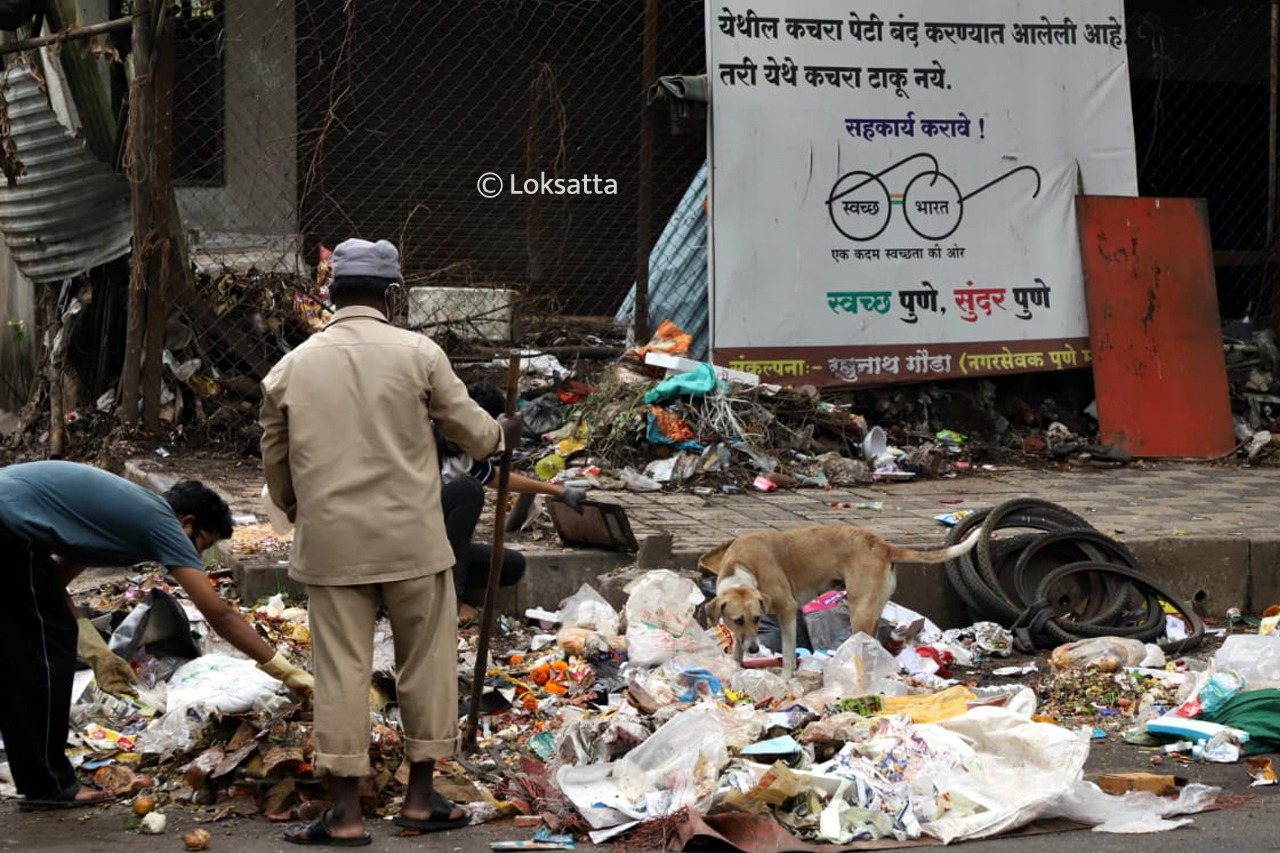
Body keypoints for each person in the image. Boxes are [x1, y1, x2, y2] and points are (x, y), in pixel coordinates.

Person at [260, 237, 521, 846]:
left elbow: (277, 465)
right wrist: (502, 431)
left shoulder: (291, 367)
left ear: (331, 292)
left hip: (332, 546)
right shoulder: (420, 354)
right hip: (412, 540)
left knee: (341, 673)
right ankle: (420, 802)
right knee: (425, 665)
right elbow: (475, 435)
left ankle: (346, 816)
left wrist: (305, 510)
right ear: (391, 294)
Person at [0, 461, 313, 812]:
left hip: (11, 519)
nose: (195, 557)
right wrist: (284, 670)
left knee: (27, 647)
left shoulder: (129, 517)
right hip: (10, 526)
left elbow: (53, 584)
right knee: (44, 656)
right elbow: (220, 614)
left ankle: (41, 778)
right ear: (187, 523)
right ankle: (49, 786)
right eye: (202, 544)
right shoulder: (161, 521)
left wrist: (94, 648)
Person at [437, 380, 587, 625]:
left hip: (440, 550)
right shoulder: (426, 441)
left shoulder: (466, 455)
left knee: (510, 566)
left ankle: (440, 587)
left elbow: (497, 477)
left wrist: (557, 491)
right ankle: (449, 600)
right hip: (409, 543)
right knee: (469, 491)